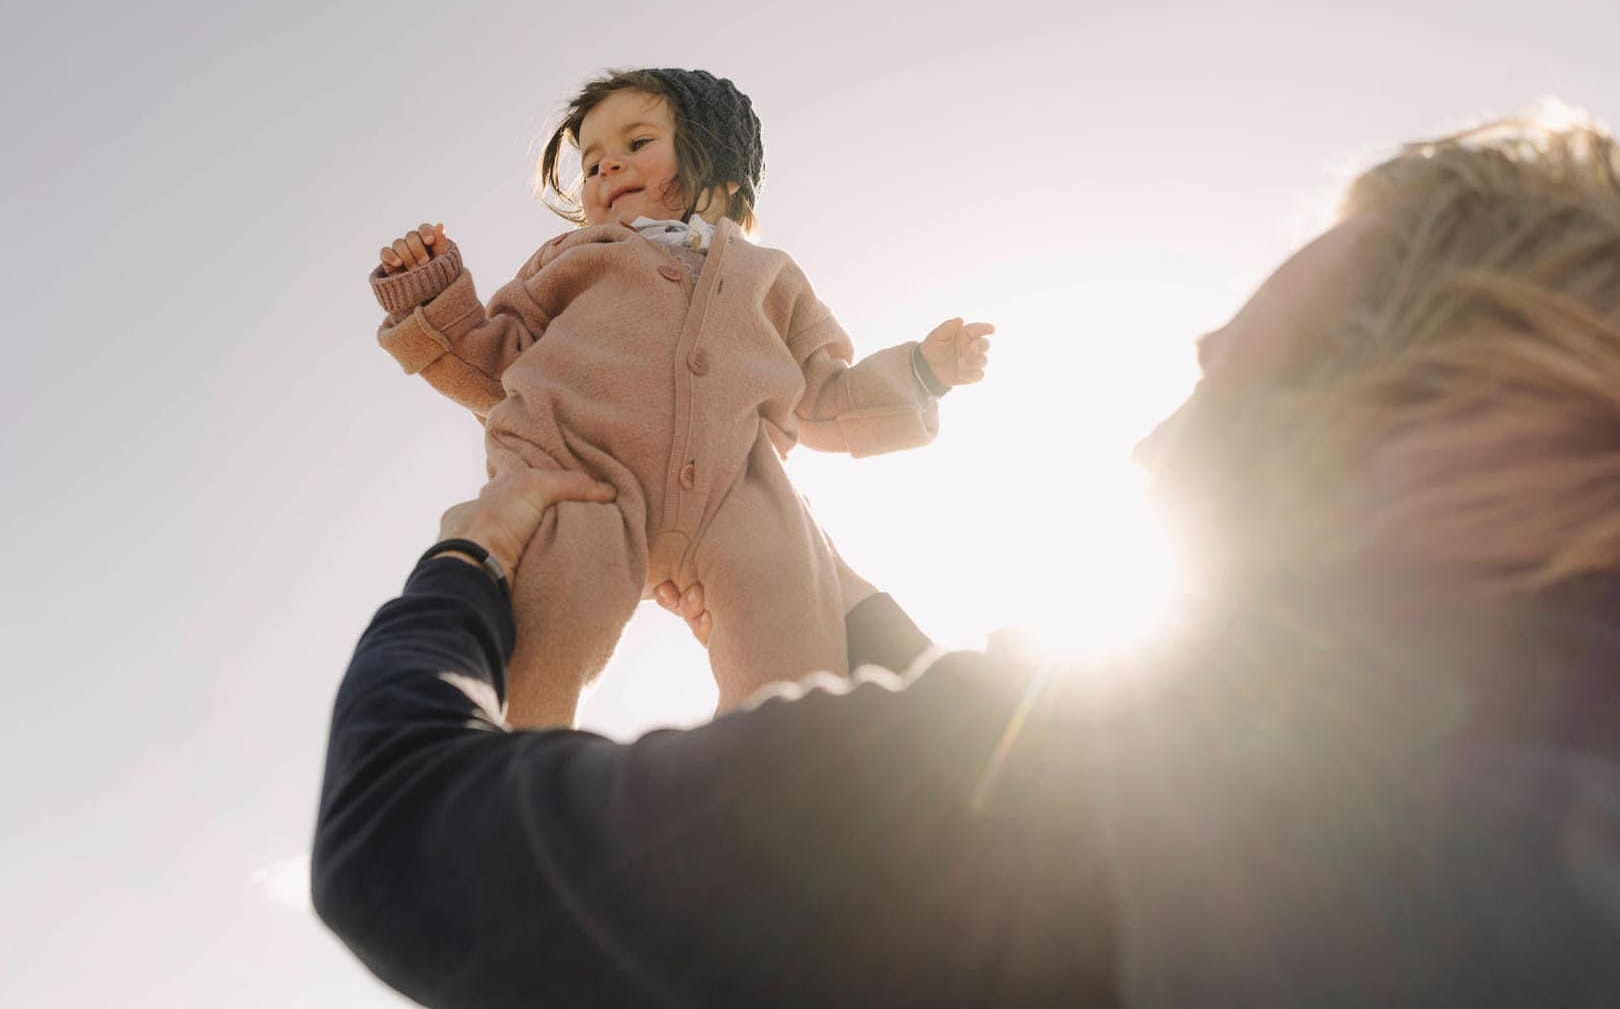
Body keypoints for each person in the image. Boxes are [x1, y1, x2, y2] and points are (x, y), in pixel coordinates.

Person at [317, 111, 1620, 1006]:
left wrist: (463, 577)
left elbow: (400, 831)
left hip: (618, 567)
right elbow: (493, 365)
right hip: (656, 519)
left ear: (1472, 420)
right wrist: (861, 611)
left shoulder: (1142, 771)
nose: (1153, 449)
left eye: (1226, 381)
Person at [365, 67, 994, 726]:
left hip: (741, 492)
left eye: (636, 144)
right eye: (592, 160)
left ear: (721, 172)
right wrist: (430, 294)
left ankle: (790, 785)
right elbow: (498, 369)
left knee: (797, 647)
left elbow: (825, 396)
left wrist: (921, 373)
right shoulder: (570, 259)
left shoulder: (771, 278)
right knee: (545, 628)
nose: (607, 166)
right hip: (581, 476)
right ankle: (514, 776)